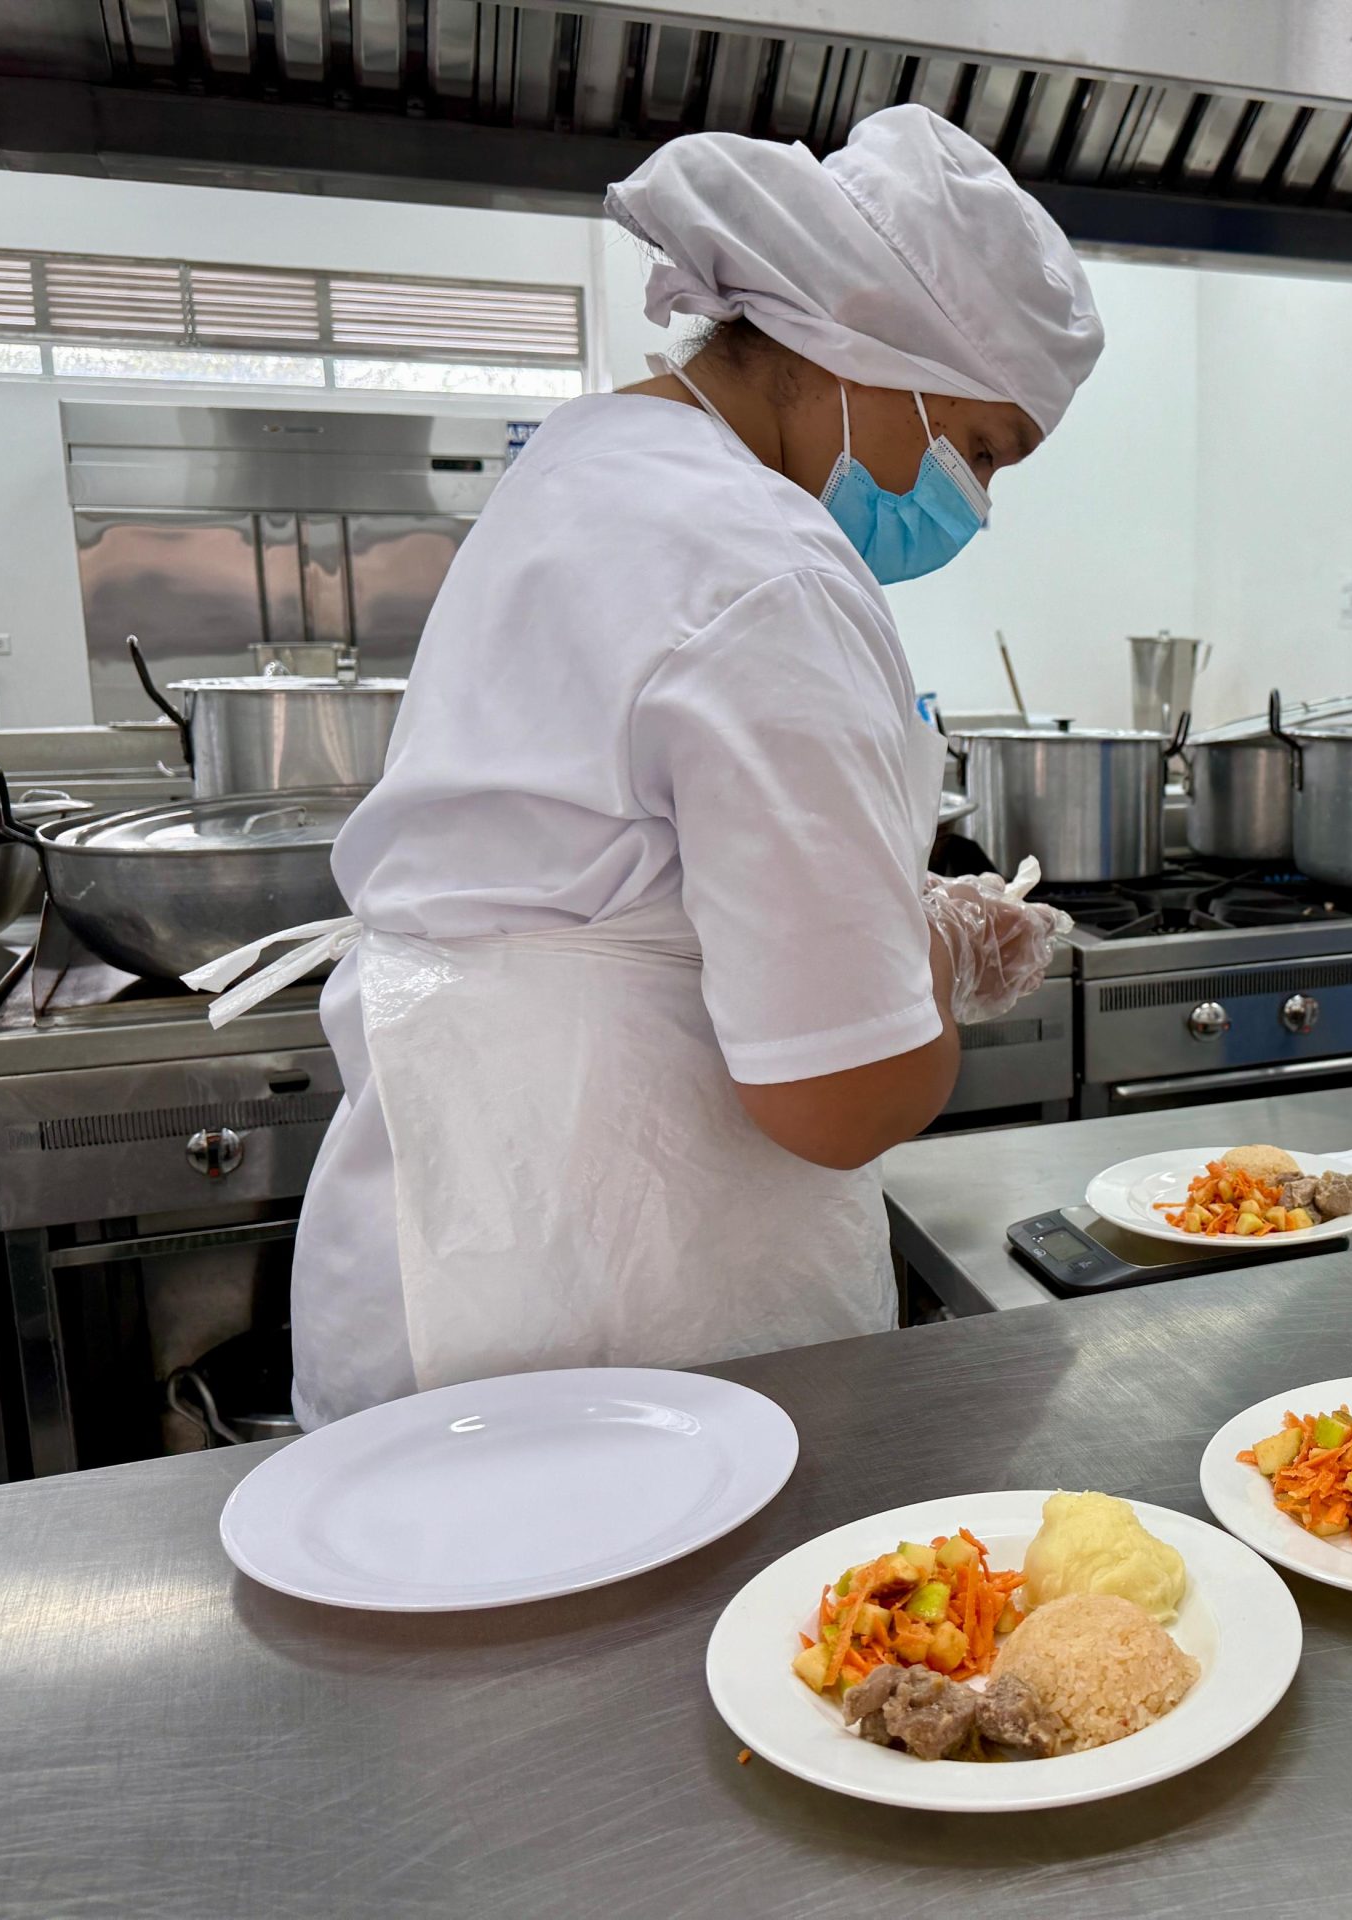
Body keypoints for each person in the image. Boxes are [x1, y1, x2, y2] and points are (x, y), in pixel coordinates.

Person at [190, 107, 1103, 1427]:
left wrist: (877, 926)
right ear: (874, 352)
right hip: (625, 1299)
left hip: (460, 1243)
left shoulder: (592, 464)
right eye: (982, 449)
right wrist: (931, 966)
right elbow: (842, 1101)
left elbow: (624, 878)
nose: (974, 500)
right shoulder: (770, 571)